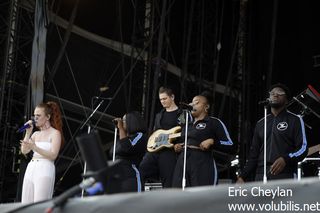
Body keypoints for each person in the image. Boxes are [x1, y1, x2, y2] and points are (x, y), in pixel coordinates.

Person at [237, 83, 308, 182]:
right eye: (272, 93)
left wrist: (285, 159)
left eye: (280, 92)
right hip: (261, 176)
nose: (275, 94)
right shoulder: (260, 123)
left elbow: (303, 148)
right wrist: (242, 176)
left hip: (284, 174)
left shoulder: (295, 119)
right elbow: (253, 155)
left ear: (287, 100)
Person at [172, 91, 234, 187]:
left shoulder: (213, 122)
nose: (192, 104)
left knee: (200, 195)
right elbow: (179, 138)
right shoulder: (187, 124)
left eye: (196, 102)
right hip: (182, 161)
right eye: (192, 102)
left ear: (206, 107)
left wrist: (212, 142)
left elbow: (230, 145)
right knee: (178, 194)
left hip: (202, 162)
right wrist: (178, 146)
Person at [20, 101, 63, 203]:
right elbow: (24, 150)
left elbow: (53, 155)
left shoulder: (55, 133)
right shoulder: (35, 134)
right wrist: (28, 133)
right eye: (34, 115)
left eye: (38, 115)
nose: (35, 118)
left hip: (45, 167)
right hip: (31, 167)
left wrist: (35, 147)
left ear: (47, 117)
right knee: (26, 203)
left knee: (40, 202)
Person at [139, 86, 180, 188]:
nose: (162, 101)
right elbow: (155, 131)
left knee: (168, 181)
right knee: (141, 170)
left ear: (172, 97)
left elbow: (186, 132)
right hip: (155, 150)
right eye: (160, 99)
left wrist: (180, 144)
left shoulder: (181, 114)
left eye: (165, 98)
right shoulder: (159, 115)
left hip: (169, 151)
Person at [109, 111, 148, 193]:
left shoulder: (139, 136)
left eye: (123, 121)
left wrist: (121, 128)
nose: (121, 123)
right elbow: (112, 152)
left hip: (131, 176)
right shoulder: (124, 138)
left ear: (131, 122)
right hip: (118, 176)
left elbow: (127, 148)